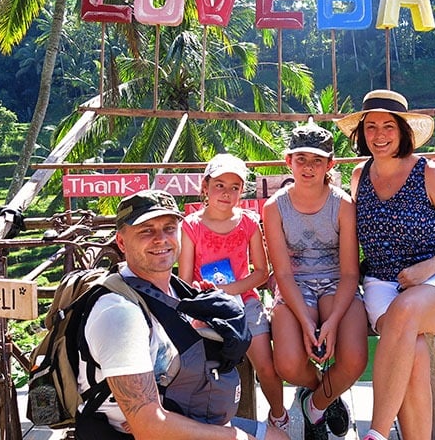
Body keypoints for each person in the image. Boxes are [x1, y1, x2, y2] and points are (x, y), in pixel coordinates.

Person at [77, 188, 288, 440]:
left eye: (168, 228)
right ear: (121, 242)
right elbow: (148, 427)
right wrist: (234, 437)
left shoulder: (175, 290)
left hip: (185, 415)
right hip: (133, 433)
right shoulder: (119, 314)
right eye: (146, 230)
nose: (161, 239)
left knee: (278, 437)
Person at [335, 89, 435, 440]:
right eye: (371, 127)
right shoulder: (358, 177)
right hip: (381, 282)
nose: (379, 135)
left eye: (388, 126)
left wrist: (426, 269)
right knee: (410, 345)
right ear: (361, 133)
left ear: (402, 131)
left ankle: (377, 433)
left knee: (406, 311)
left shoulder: (428, 173)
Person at [262, 122, 368, 440]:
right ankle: (321, 391)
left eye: (317, 160)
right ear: (288, 161)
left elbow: (350, 272)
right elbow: (281, 273)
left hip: (338, 282)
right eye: (301, 159)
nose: (308, 167)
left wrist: (331, 323)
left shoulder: (343, 204)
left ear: (329, 165)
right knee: (289, 364)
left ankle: (315, 406)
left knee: (353, 360)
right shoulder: (274, 208)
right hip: (295, 284)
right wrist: (308, 325)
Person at [179, 153, 290, 433]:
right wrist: (207, 295)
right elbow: (184, 278)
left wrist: (227, 290)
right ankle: (203, 420)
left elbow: (261, 272)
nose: (226, 193)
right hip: (204, 305)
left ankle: (278, 416)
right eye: (219, 185)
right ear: (205, 188)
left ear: (242, 191)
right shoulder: (190, 226)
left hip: (245, 301)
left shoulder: (249, 223)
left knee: (265, 363)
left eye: (234, 187)